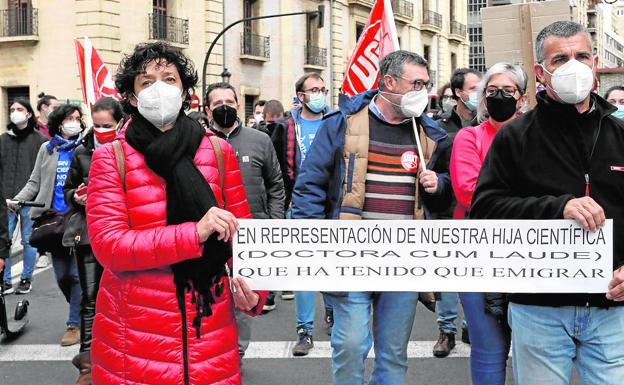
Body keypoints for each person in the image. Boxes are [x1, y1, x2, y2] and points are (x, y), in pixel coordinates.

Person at [86, 41, 266, 385]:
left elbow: (243, 235)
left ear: (185, 92)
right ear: (133, 97)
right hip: (135, 339)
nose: (160, 88)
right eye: (147, 82)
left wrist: (257, 294)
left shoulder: (217, 150)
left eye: (169, 79)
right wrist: (193, 234)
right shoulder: (112, 158)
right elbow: (109, 247)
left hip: (210, 334)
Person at [471, 21, 624, 385]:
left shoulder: (620, 134)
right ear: (541, 72)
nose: (573, 65)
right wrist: (557, 207)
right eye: (560, 58)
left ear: (595, 62)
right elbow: (486, 210)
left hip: (612, 307)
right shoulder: (515, 136)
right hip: (537, 308)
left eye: (582, 56)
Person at [292, 50, 452, 385]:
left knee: (393, 355)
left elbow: (450, 193)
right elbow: (310, 187)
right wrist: (316, 242)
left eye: (426, 84)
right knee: (350, 346)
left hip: (404, 263)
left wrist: (439, 185)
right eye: (416, 83)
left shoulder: (429, 135)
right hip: (350, 259)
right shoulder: (343, 124)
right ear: (390, 83)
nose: (423, 91)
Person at [450, 62, 528, 384]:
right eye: (492, 91)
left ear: (522, 99)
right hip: (476, 255)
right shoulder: (468, 138)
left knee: (533, 350)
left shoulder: (537, 138)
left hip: (529, 255)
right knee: (488, 349)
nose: (499, 96)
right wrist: (528, 203)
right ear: (483, 99)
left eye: (508, 91)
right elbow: (470, 193)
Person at [205, 82, 285, 356]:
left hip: (252, 234)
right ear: (207, 110)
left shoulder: (259, 139)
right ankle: (214, 352)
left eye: (229, 101)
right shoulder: (198, 141)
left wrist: (273, 224)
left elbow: (275, 184)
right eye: (217, 103)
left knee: (245, 297)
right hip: (211, 236)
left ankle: (236, 354)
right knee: (212, 299)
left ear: (239, 105)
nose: (224, 107)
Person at [11, 103, 85, 346]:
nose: (74, 121)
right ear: (58, 124)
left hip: (77, 219)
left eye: (77, 117)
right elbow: (35, 180)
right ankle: (81, 306)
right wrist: (20, 199)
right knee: (63, 276)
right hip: (52, 221)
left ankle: (74, 323)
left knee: (75, 275)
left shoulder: (84, 148)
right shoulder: (48, 149)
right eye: (69, 118)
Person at [63, 97, 123, 385]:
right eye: (97, 126)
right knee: (90, 299)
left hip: (123, 235)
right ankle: (87, 365)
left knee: (122, 299)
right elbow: (68, 189)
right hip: (89, 235)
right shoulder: (82, 153)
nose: (101, 131)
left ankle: (119, 356)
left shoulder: (130, 149)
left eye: (107, 126)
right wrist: (76, 197)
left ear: (120, 123)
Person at [0, 98, 47, 294]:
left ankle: (26, 278)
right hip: (6, 200)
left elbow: (42, 173)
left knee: (29, 240)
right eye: (12, 109)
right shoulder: (3, 139)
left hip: (29, 200)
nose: (14, 112)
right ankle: (6, 280)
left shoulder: (40, 141)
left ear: (28, 113)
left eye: (19, 109)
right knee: (5, 240)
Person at [438, 68, 482, 138]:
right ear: (458, 92)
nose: (479, 93)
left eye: (481, 89)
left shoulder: (485, 124)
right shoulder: (439, 127)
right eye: (474, 89)